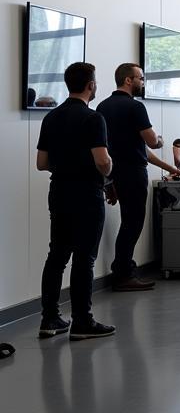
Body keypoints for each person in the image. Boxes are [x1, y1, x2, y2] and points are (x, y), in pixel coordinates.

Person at [36, 62, 116, 340]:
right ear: (91, 85)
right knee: (85, 258)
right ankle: (82, 321)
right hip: (87, 194)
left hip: (58, 191)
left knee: (57, 256)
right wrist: (108, 169)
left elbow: (41, 162)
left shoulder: (51, 118)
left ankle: (50, 319)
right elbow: (103, 162)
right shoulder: (93, 119)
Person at [97, 63, 180, 291]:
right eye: (141, 78)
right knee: (133, 224)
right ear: (128, 80)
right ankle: (124, 273)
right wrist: (162, 140)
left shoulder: (102, 107)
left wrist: (169, 168)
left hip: (113, 173)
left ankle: (123, 269)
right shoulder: (135, 107)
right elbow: (152, 141)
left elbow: (138, 148)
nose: (143, 82)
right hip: (133, 173)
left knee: (128, 222)